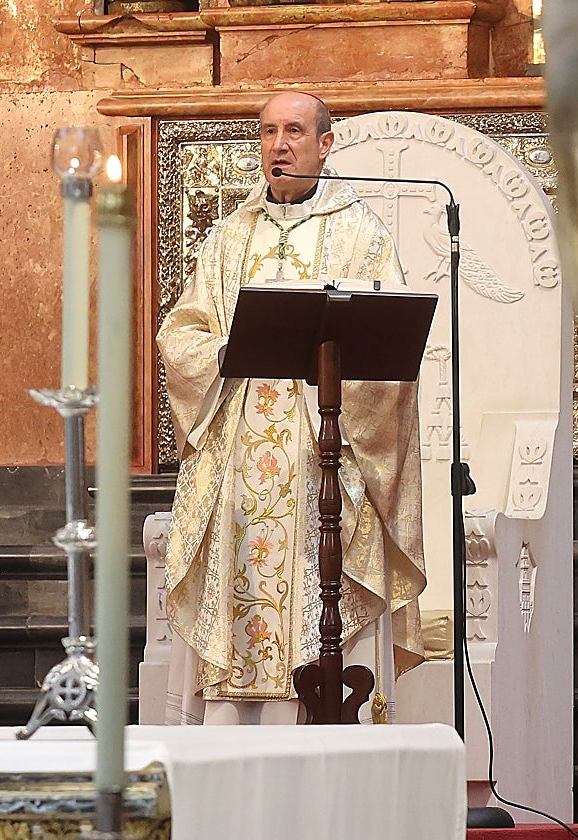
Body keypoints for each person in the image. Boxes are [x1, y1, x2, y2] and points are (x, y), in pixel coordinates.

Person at [156, 91, 426, 726]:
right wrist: (232, 348)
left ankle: (327, 730)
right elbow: (181, 336)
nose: (280, 144)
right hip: (240, 467)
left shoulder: (361, 234)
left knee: (325, 589)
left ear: (325, 145)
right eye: (270, 131)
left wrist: (324, 381)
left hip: (322, 460)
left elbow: (386, 349)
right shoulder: (230, 235)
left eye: (295, 131)